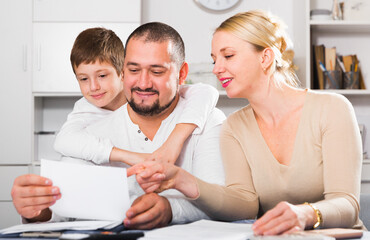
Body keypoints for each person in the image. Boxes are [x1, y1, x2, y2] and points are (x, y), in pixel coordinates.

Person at [127, 10, 364, 235]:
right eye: (214, 60)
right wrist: (180, 179)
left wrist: (305, 213)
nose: (218, 69)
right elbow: (245, 204)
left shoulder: (332, 109)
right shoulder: (234, 127)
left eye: (228, 56)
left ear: (266, 57)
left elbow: (347, 203)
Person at [11, 23, 225, 229]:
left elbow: (222, 200)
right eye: (134, 70)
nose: (143, 83)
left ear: (181, 73)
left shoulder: (208, 120)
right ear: (123, 72)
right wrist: (37, 210)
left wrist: (172, 209)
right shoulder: (89, 134)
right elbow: (63, 209)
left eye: (157, 71)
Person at [53, 27, 219, 166]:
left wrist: (174, 142)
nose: (94, 87)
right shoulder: (85, 109)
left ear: (121, 73)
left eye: (102, 76)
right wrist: (129, 157)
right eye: (83, 79)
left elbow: (207, 92)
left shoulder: (143, 95)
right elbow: (64, 141)